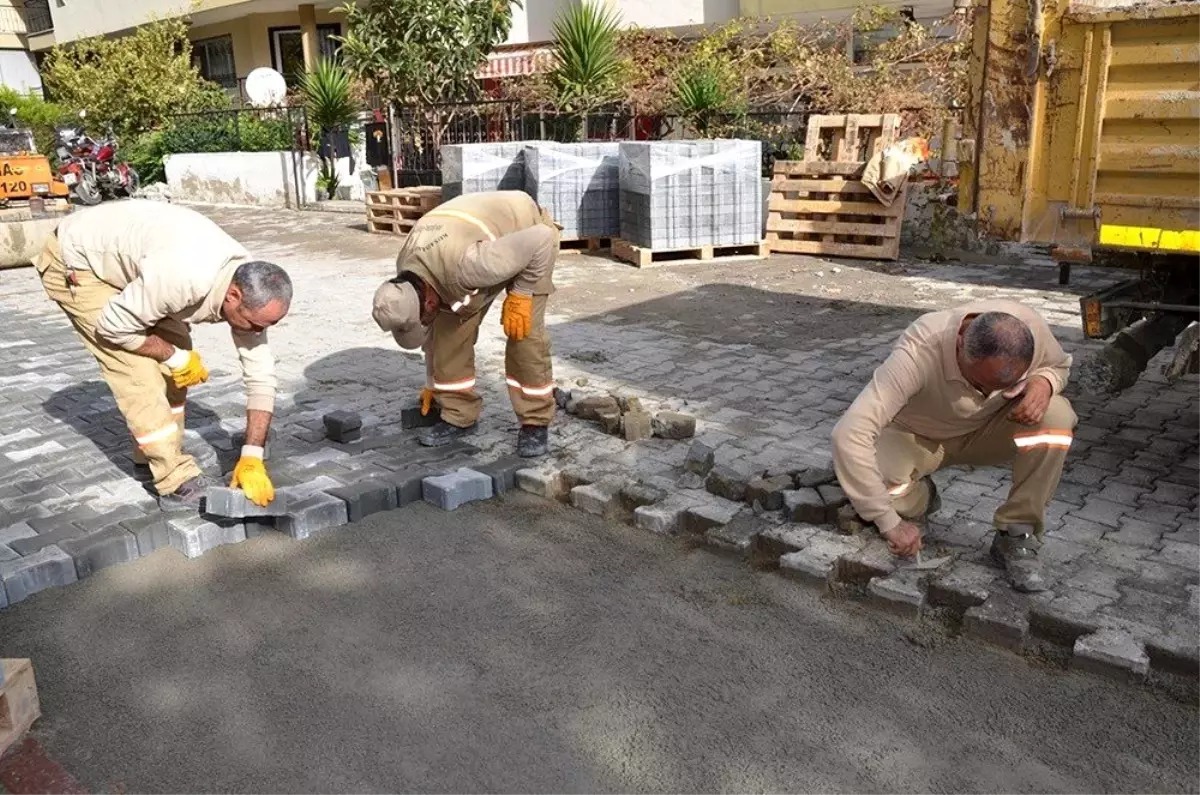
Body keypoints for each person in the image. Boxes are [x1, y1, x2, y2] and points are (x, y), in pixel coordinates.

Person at [37, 200, 291, 510]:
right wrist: (172, 356)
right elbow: (113, 327)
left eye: (266, 326)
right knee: (139, 373)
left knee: (174, 371)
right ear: (233, 296)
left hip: (140, 263)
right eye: (254, 324)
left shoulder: (252, 289)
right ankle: (173, 480)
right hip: (78, 263)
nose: (257, 331)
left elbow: (260, 376)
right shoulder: (185, 279)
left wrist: (251, 456)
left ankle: (147, 459)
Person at [831, 301, 1075, 592]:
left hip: (987, 433)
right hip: (918, 437)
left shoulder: (1028, 328)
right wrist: (889, 523)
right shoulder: (920, 348)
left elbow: (1058, 366)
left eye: (1001, 387)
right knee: (871, 481)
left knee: (1057, 417)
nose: (987, 394)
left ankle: (1016, 534)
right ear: (960, 343)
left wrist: (1043, 383)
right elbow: (850, 432)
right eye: (980, 384)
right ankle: (921, 499)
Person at [372, 191, 558, 458]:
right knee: (448, 335)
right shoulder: (408, 269)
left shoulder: (471, 264)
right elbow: (432, 335)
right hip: (474, 249)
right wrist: (432, 385)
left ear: (428, 303)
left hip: (528, 238)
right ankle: (459, 415)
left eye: (421, 320)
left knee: (524, 334)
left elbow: (542, 238)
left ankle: (535, 421)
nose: (422, 325)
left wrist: (522, 293)